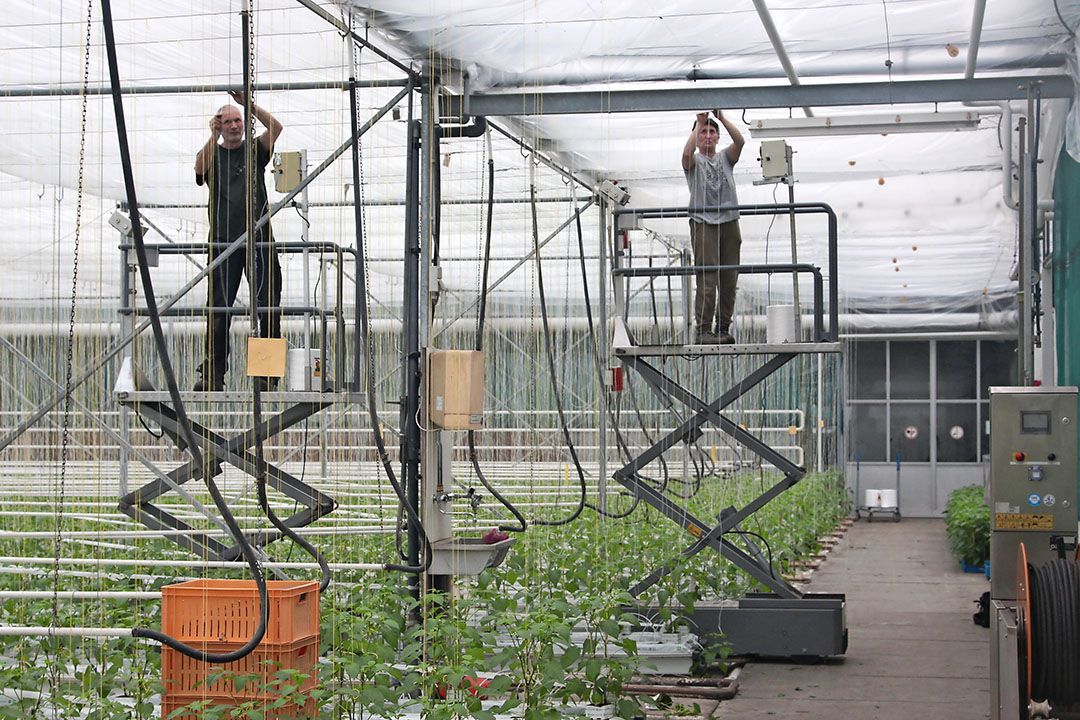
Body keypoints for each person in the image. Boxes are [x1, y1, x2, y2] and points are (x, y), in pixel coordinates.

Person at [192, 92, 284, 391]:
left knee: (267, 303)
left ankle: (267, 374)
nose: (234, 126)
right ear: (219, 126)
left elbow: (276, 128)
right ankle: (213, 374)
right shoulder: (212, 153)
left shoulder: (255, 150)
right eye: (227, 122)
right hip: (222, 242)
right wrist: (211, 135)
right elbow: (199, 169)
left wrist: (249, 105)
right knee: (218, 308)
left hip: (259, 240)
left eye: (237, 121)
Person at [681, 108, 744, 344]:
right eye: (703, 133)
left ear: (717, 137)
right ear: (697, 138)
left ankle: (723, 326)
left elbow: (740, 141)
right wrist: (697, 123)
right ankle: (704, 329)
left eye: (712, 132)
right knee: (707, 278)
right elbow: (686, 154)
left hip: (729, 220)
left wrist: (722, 118)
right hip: (702, 222)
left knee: (729, 277)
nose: (708, 136)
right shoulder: (694, 161)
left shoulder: (725, 158)